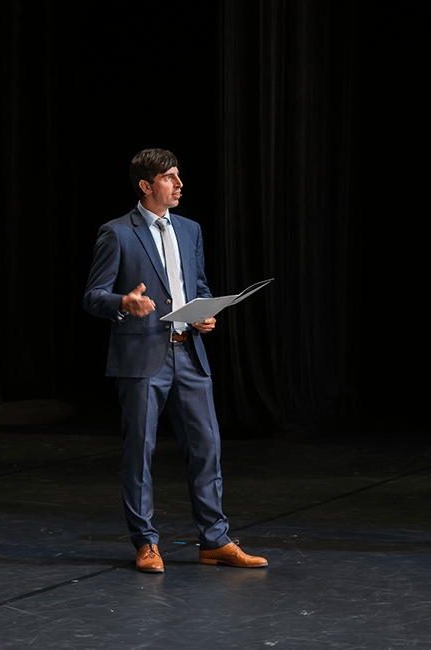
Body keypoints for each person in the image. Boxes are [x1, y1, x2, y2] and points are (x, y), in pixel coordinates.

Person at [83, 148, 267, 572]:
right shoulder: (117, 232)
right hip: (143, 357)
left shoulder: (190, 229)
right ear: (146, 185)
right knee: (140, 453)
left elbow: (197, 285)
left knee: (207, 448)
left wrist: (205, 314)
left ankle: (214, 540)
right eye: (169, 177)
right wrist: (123, 302)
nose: (179, 184)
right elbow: (93, 296)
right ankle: (146, 543)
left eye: (179, 176)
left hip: (189, 352)